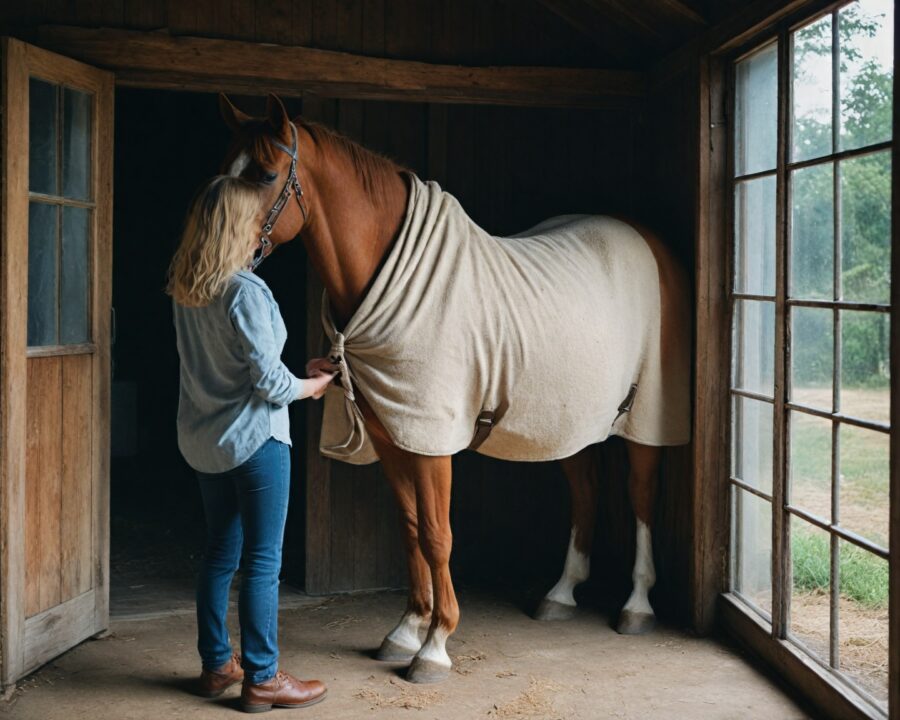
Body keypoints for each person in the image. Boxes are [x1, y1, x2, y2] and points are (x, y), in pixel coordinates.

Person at [167, 175, 333, 713]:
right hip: (257, 442)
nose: (264, 224)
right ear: (241, 225)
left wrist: (289, 375)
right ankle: (262, 677)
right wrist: (311, 385)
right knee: (263, 562)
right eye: (256, 217)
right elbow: (269, 385)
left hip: (206, 440)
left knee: (219, 553)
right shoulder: (245, 291)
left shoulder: (185, 285)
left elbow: (230, 365)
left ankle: (217, 666)